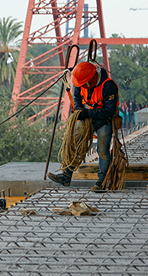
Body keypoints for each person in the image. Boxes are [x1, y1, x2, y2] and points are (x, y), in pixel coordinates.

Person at [47, 61, 119, 190]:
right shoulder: (80, 83)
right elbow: (77, 99)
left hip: (104, 120)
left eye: (86, 84)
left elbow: (110, 111)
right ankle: (66, 176)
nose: (84, 87)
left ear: (93, 78)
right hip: (88, 118)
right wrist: (79, 111)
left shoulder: (108, 86)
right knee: (74, 145)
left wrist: (88, 113)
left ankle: (102, 181)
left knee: (102, 150)